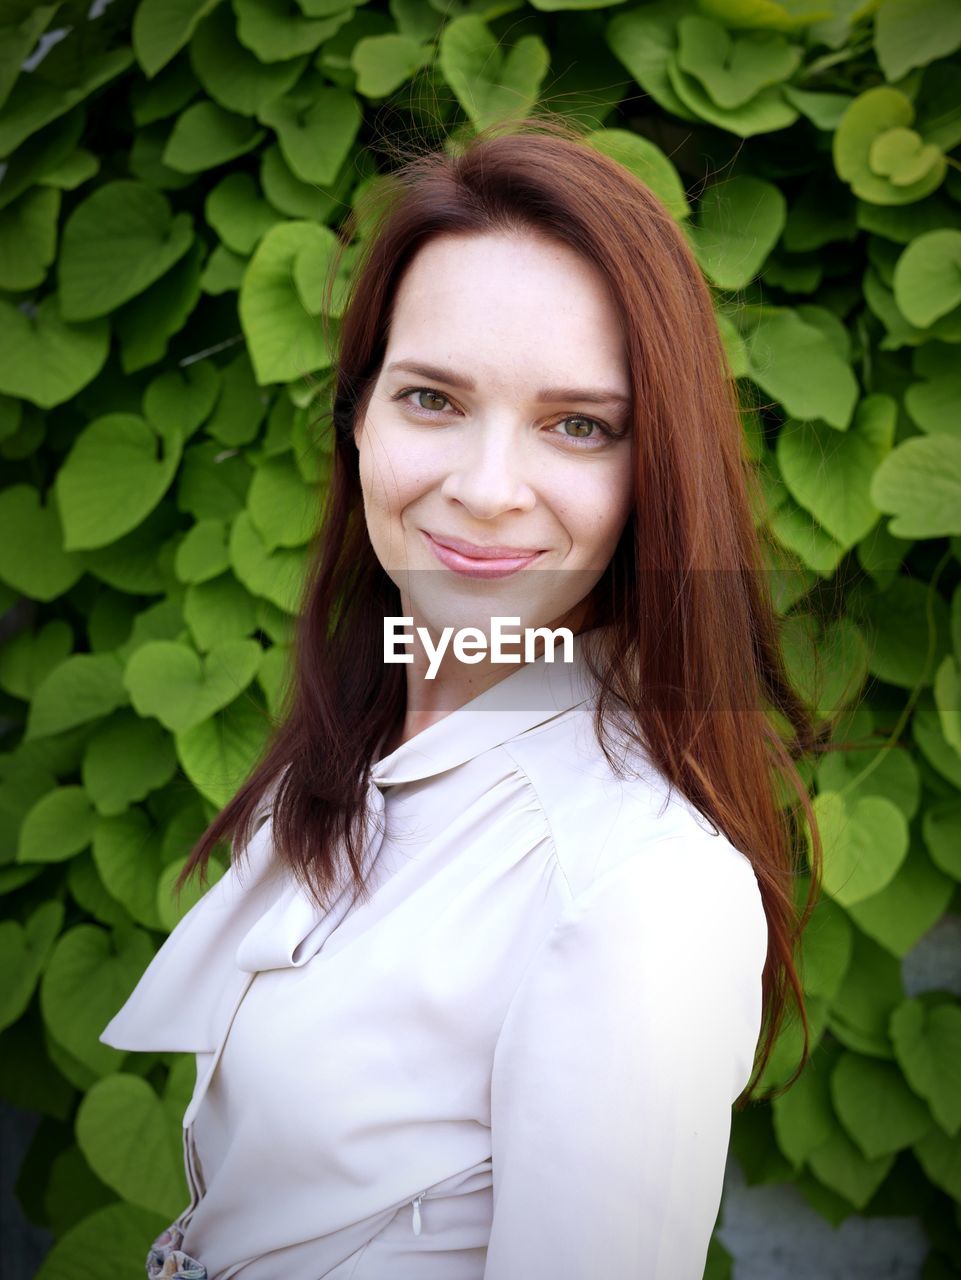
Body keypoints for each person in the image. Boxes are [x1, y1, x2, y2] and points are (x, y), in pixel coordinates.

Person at [100, 115, 824, 1280]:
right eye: (432, 399)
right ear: (358, 416)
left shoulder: (638, 884)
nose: (486, 490)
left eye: (577, 425)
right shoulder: (368, 726)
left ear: (656, 473)